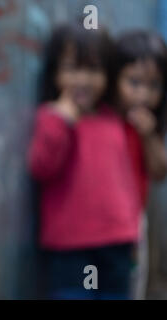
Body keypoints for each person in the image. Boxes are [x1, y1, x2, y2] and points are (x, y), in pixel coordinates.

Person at [28, 22, 138, 299]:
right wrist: (61, 122)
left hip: (117, 242)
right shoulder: (52, 117)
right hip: (70, 246)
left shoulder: (112, 119)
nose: (83, 79)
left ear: (107, 74)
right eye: (72, 69)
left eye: (93, 69)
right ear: (55, 73)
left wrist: (131, 230)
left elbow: (124, 183)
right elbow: (42, 168)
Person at [109, 30, 167, 299]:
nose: (143, 94)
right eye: (134, 82)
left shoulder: (148, 129)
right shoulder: (105, 120)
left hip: (132, 226)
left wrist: (149, 135)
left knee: (130, 286)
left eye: (154, 86)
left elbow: (159, 171)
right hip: (101, 223)